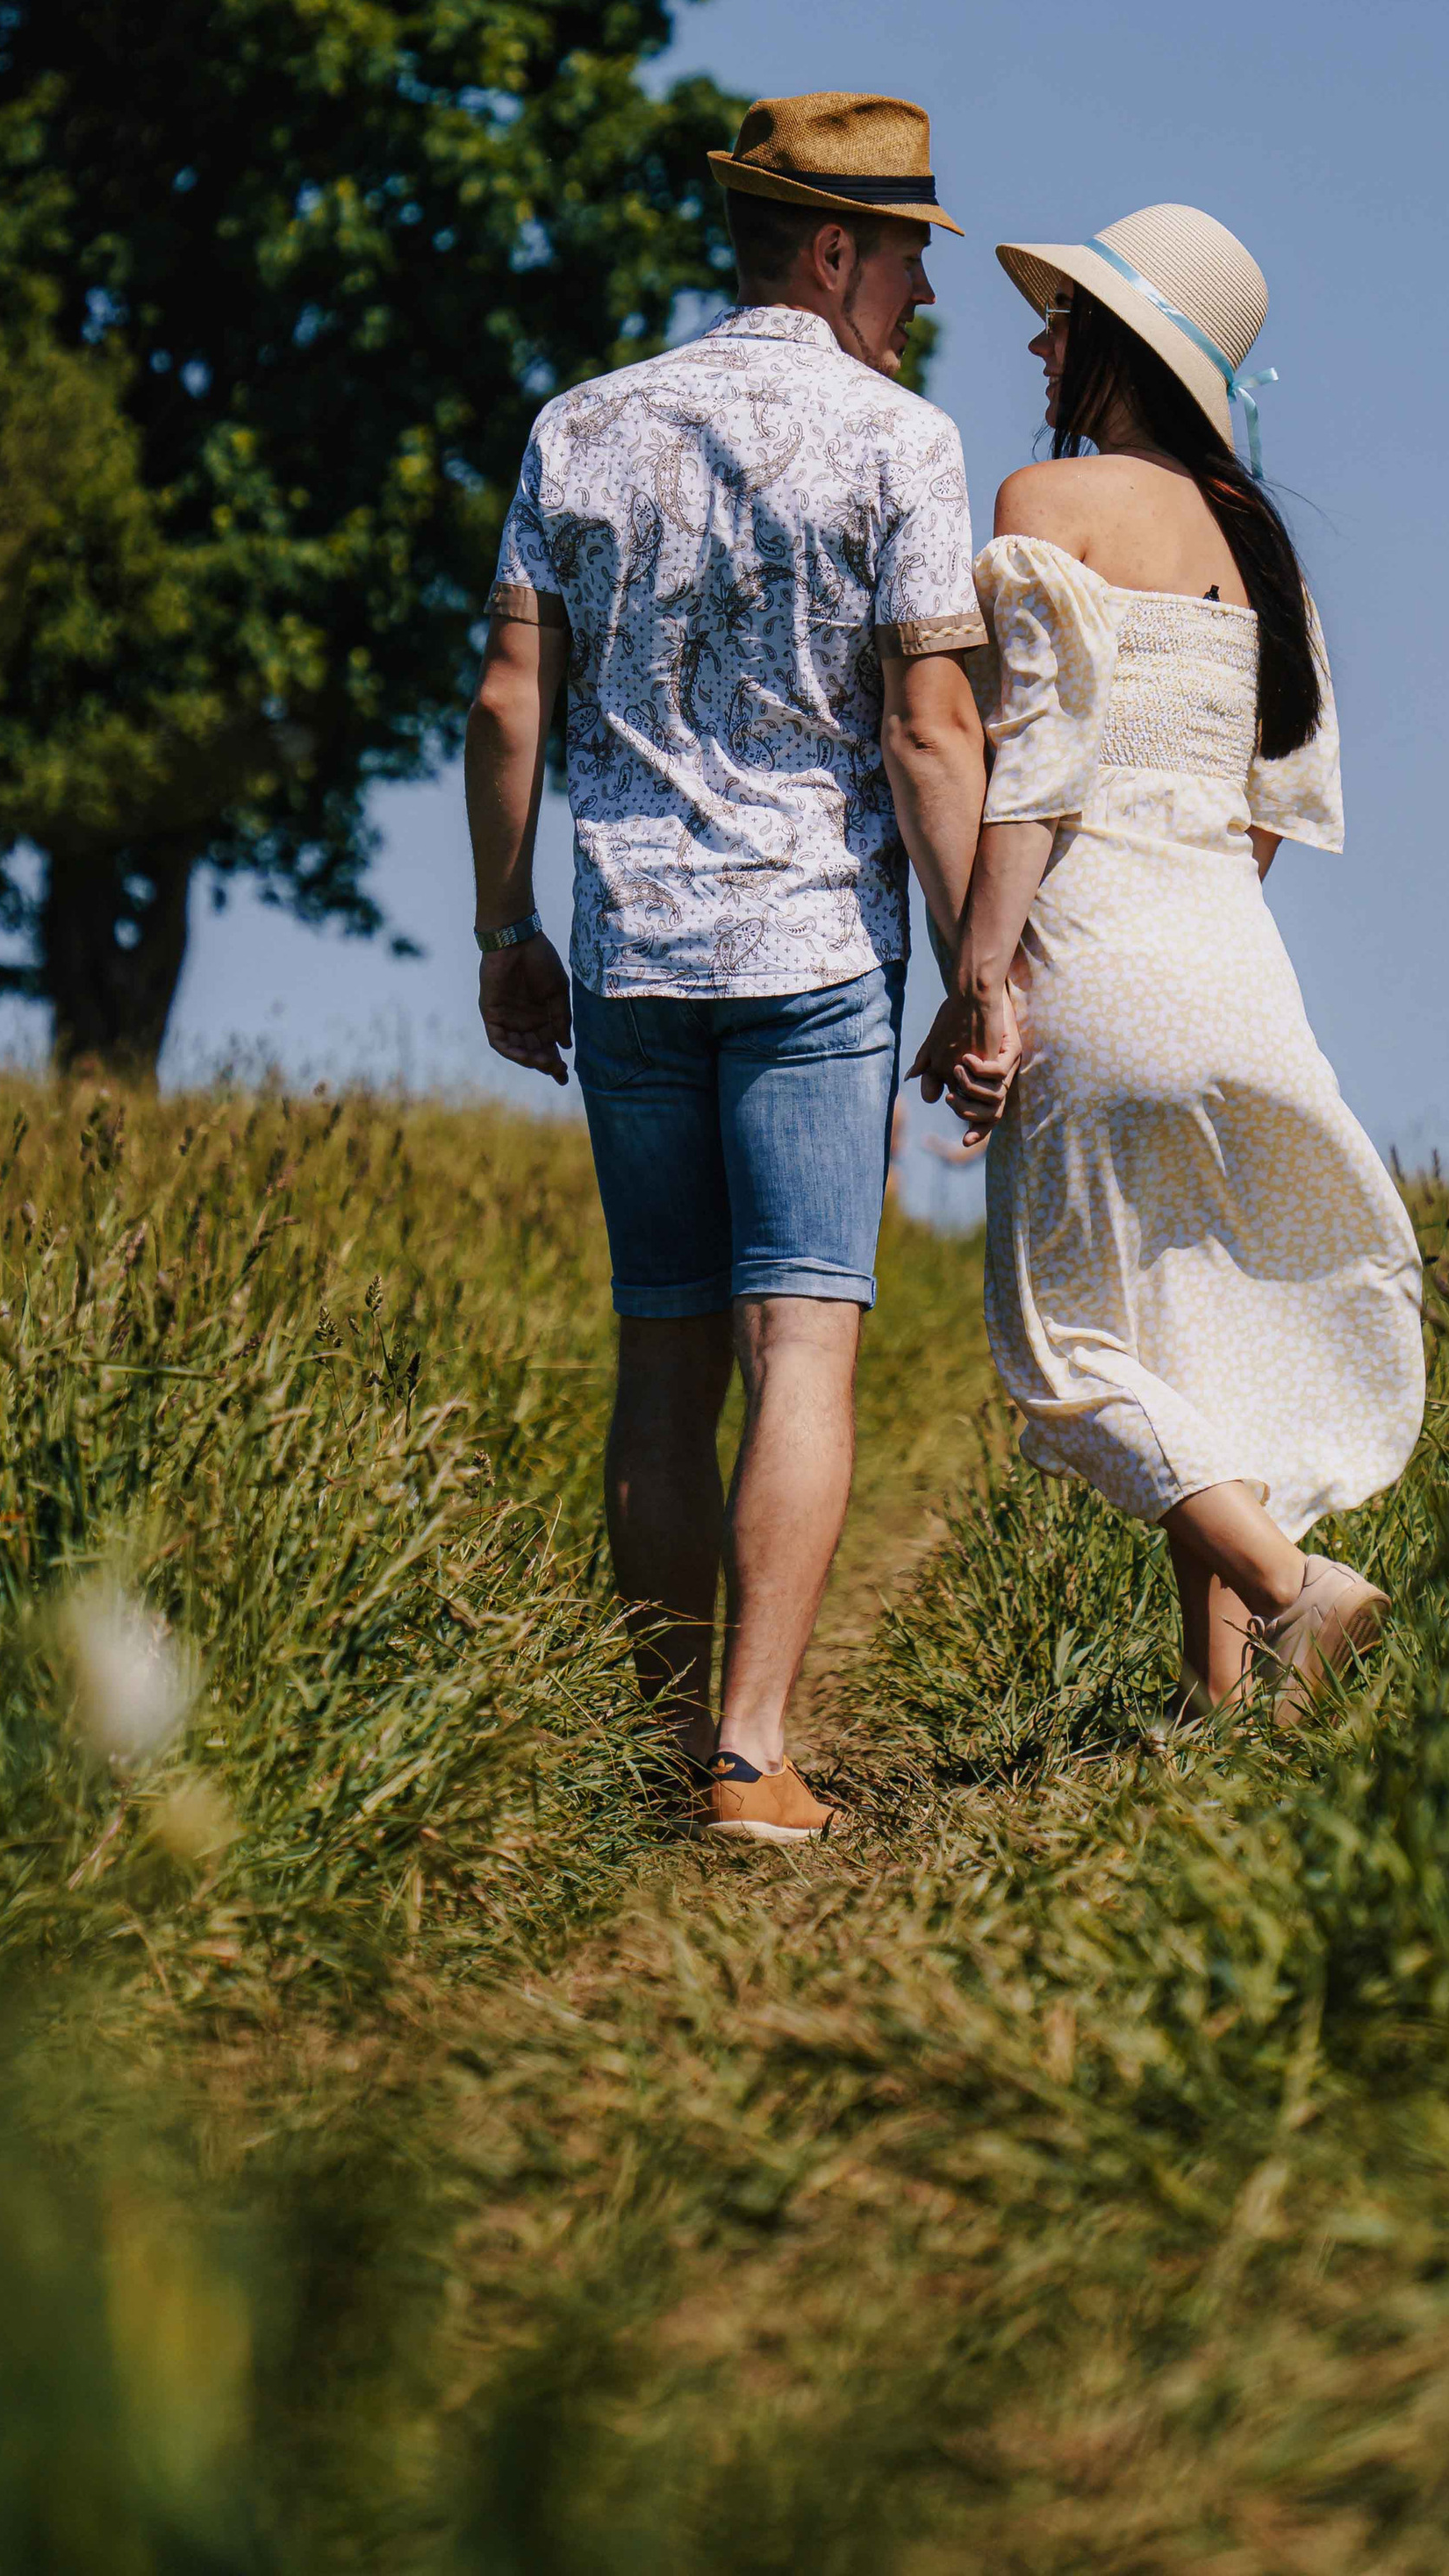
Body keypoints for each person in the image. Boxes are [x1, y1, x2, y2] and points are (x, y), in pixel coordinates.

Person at [464, 91, 1009, 1841]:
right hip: (805, 957)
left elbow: (502, 698)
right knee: (801, 1350)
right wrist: (971, 978)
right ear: (833, 249)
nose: (919, 299)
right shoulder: (894, 442)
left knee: (661, 1359)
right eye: (909, 259)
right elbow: (930, 729)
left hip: (626, 955)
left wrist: (505, 928)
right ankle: (749, 1753)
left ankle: (652, 1742)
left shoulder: (578, 425)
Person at [915, 204, 1424, 1721]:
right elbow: (1279, 810)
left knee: (1066, 1352)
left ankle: (1296, 1591)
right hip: (1238, 968)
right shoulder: (1264, 555)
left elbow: (1037, 772)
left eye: (1062, 320)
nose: (1036, 340)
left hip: (1099, 961)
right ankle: (1216, 1715)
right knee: (1196, 1349)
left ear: (1120, 349)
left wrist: (983, 976)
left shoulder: (1043, 497)